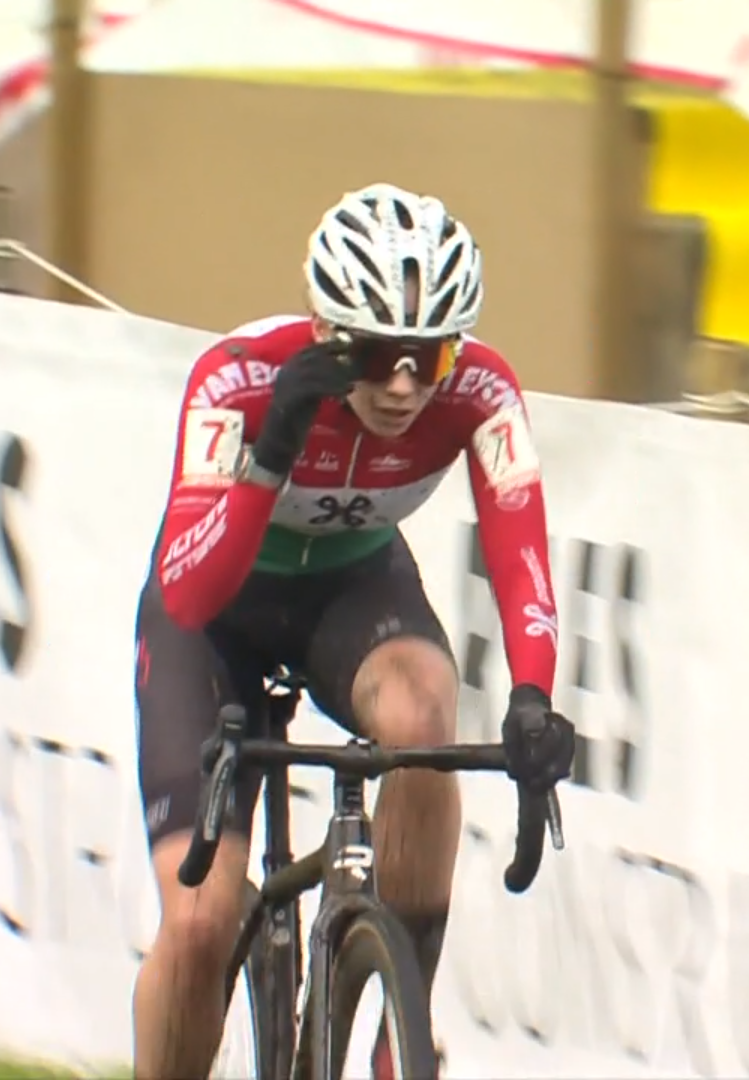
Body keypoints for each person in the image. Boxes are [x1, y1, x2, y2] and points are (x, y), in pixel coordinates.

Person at [129, 183, 576, 1080]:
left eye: (430, 356)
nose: (404, 385)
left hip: (352, 587)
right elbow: (189, 592)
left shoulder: (481, 391)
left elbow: (520, 548)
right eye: (376, 355)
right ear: (328, 333)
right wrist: (271, 455)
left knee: (424, 712)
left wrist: (533, 695)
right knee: (201, 922)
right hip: (218, 613)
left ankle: (395, 1029)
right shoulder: (240, 379)